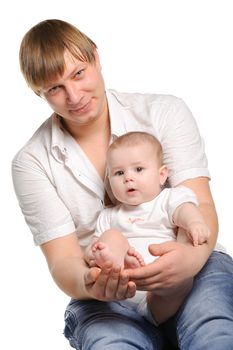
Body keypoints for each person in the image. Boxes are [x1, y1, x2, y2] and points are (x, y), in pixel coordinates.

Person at [12, 19, 233, 349]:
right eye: (55, 89)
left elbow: (198, 206)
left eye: (78, 73)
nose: (74, 96)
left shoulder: (163, 112)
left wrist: (188, 260)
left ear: (96, 58)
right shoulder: (32, 161)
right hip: (109, 295)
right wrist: (92, 283)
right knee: (110, 343)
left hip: (194, 266)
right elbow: (63, 260)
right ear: (38, 93)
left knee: (212, 328)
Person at [84, 131, 211, 324]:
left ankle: (129, 268)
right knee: (110, 237)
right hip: (120, 294)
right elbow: (94, 245)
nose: (128, 178)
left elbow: (184, 210)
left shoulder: (167, 199)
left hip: (161, 290)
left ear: (161, 175)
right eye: (119, 173)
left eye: (138, 169)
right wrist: (92, 254)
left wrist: (194, 223)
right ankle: (117, 263)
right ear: (110, 182)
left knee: (180, 283)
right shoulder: (109, 215)